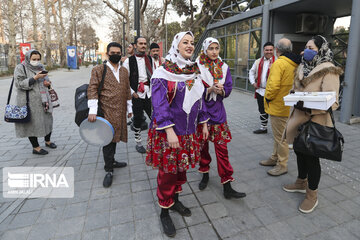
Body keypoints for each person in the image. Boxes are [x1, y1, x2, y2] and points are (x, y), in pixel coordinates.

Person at [146, 32, 209, 237]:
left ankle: (176, 201)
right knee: (167, 172)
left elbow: (200, 100)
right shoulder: (163, 72)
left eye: (192, 43)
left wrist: (204, 123)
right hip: (170, 133)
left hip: (189, 131)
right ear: (176, 45)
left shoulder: (193, 70)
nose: (190, 46)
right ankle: (164, 211)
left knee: (180, 170)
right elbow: (159, 104)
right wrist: (169, 130)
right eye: (185, 42)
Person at [283, 35, 342, 213]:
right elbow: (297, 89)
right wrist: (293, 95)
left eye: (312, 48)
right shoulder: (302, 67)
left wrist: (308, 105)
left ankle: (312, 194)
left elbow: (333, 101)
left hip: (315, 120)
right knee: (300, 151)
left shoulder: (329, 69)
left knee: (311, 157)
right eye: (306, 47)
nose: (307, 51)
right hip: (298, 117)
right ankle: (301, 182)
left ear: (321, 49)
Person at [196, 37, 246, 199]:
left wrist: (222, 91)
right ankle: (205, 174)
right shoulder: (197, 67)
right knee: (203, 147)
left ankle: (227, 185)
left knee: (222, 150)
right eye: (211, 48)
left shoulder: (224, 67)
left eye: (217, 48)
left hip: (218, 113)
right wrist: (208, 89)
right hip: (202, 114)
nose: (214, 51)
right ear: (205, 49)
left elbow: (229, 87)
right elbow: (193, 91)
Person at [88, 42, 133, 188]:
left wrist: (129, 108)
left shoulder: (124, 71)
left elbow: (127, 89)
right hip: (105, 111)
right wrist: (92, 111)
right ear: (107, 54)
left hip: (120, 111)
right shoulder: (99, 69)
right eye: (113, 52)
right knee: (107, 140)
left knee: (115, 138)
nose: (116, 54)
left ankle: (112, 160)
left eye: (118, 52)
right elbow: (92, 89)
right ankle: (109, 169)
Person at [260, 38, 300, 176]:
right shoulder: (295, 63)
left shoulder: (279, 64)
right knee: (279, 136)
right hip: (288, 105)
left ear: (277, 50)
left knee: (281, 138)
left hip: (278, 105)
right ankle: (274, 157)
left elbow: (273, 85)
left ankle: (282, 165)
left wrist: (268, 98)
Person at [14, 50, 56, 155]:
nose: (36, 61)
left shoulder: (41, 67)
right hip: (29, 102)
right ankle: (36, 147)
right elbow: (19, 83)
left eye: (38, 59)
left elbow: (46, 80)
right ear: (28, 58)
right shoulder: (20, 67)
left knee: (48, 120)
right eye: (34, 59)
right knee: (32, 124)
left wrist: (47, 83)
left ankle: (48, 141)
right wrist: (35, 77)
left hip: (44, 100)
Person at [123, 37, 153, 153]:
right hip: (136, 94)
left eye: (145, 44)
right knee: (138, 120)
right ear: (135, 45)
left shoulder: (149, 59)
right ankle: (138, 142)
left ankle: (154, 142)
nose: (143, 46)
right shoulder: (128, 61)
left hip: (149, 93)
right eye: (140, 44)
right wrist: (132, 92)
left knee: (154, 117)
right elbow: (125, 79)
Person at [249, 42, 275, 134]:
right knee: (262, 109)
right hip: (260, 90)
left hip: (273, 91)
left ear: (274, 50)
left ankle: (278, 130)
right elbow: (251, 72)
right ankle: (263, 128)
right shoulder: (258, 61)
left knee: (274, 111)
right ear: (263, 50)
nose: (268, 52)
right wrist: (253, 83)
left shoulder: (278, 62)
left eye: (270, 50)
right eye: (267, 50)